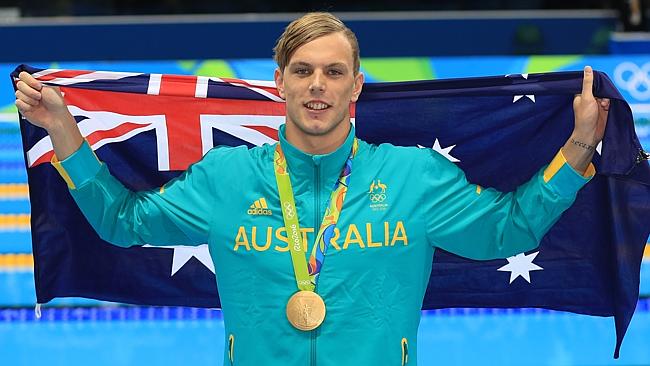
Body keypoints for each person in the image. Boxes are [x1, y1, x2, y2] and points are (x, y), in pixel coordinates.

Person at [15, 12, 609, 366]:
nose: (317, 85)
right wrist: (66, 133)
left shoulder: (413, 177)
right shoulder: (226, 178)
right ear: (280, 83)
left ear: (356, 87)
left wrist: (579, 145)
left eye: (333, 72)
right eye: (302, 71)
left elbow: (509, 229)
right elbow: (124, 221)